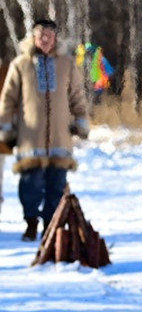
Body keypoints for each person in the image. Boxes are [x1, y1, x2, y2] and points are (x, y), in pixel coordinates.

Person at [0, 19, 89, 241]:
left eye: (49, 34)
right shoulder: (20, 64)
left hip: (60, 136)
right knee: (30, 184)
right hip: (30, 137)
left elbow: (77, 96)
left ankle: (52, 226)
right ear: (33, 38)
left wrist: (81, 121)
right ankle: (31, 222)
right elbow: (8, 99)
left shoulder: (67, 64)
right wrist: (7, 128)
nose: (45, 39)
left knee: (56, 185)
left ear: (55, 38)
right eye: (40, 35)